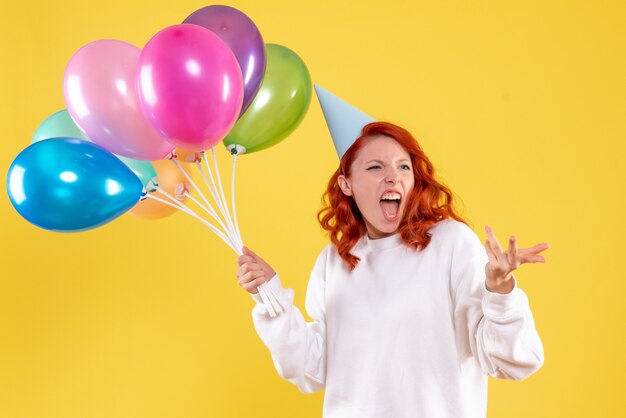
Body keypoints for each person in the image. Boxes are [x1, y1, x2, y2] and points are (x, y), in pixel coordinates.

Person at [236, 86, 549, 418]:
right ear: (346, 184)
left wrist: (500, 291)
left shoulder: (451, 243)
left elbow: (514, 361)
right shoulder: (335, 262)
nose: (392, 178)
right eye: (375, 168)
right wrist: (269, 296)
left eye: (403, 167)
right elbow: (311, 370)